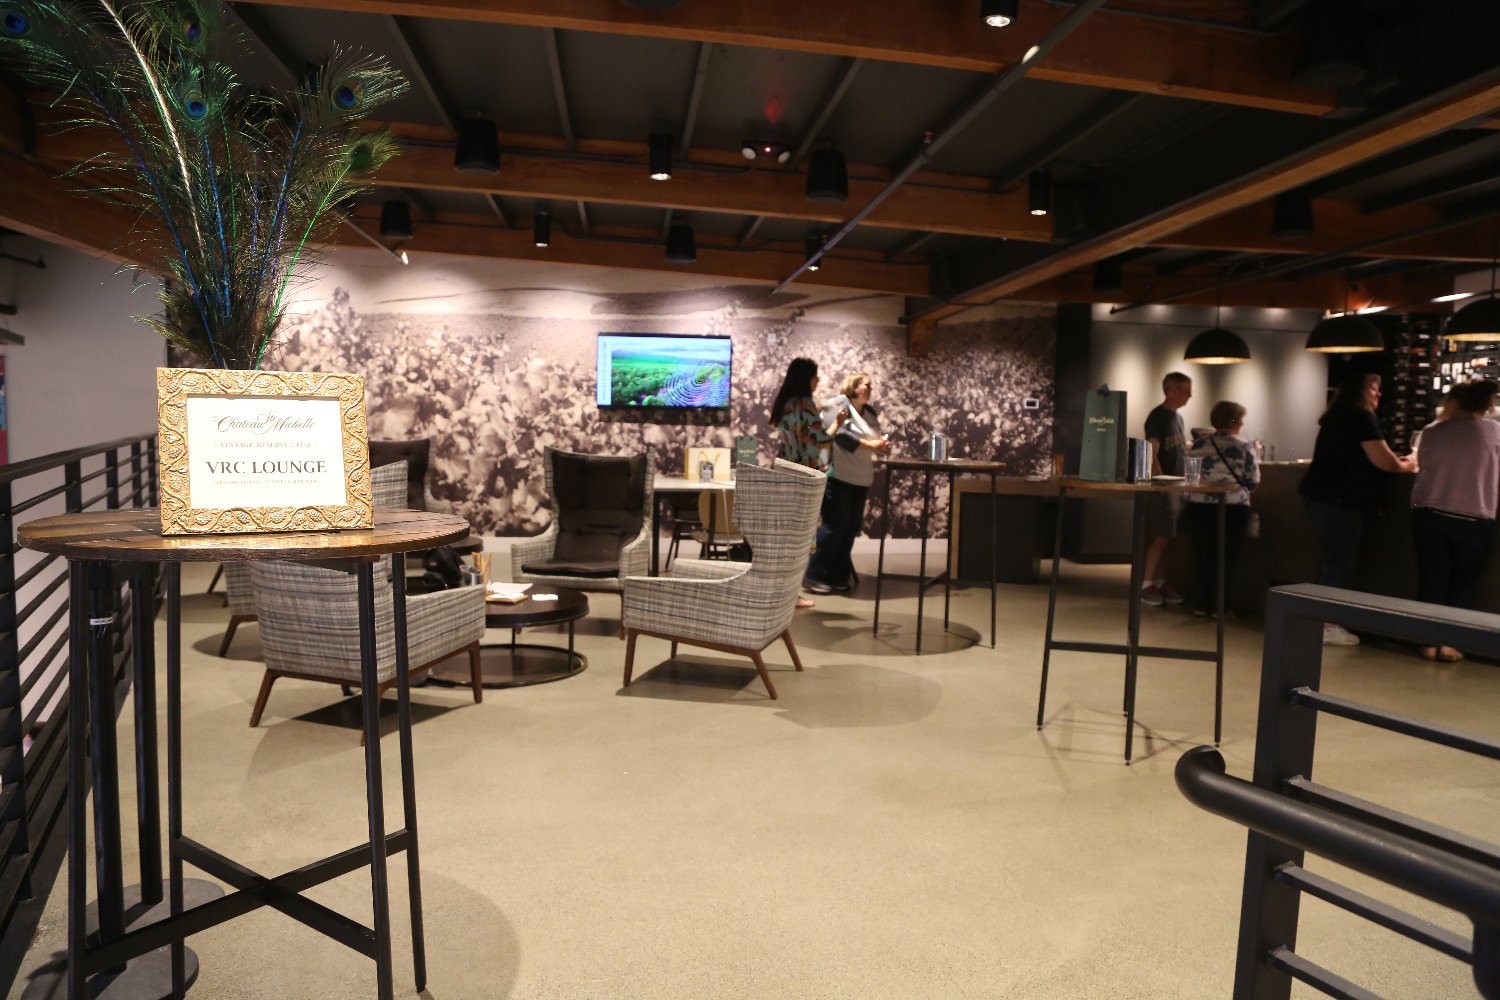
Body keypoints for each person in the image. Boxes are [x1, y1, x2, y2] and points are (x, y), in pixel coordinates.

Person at [1298, 372, 1416, 646]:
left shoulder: (1337, 416)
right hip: (1341, 501)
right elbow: (1385, 462)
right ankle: (1327, 624)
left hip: (1322, 498)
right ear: (1359, 391)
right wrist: (1408, 464)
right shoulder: (1360, 416)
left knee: (1330, 562)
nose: (1379, 394)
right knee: (1339, 563)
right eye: (1374, 388)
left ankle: (1316, 620)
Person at [1408, 379, 1500, 662]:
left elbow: (1420, 463)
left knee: (1432, 580)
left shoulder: (1432, 431)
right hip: (1474, 516)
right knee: (1463, 585)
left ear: (1453, 401)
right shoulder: (1494, 431)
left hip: (1430, 513)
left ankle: (1427, 643)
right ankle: (1449, 644)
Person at [804, 372, 891, 594]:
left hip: (861, 478)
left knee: (850, 528)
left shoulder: (870, 412)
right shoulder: (835, 405)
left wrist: (880, 445)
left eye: (871, 386)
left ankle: (837, 576)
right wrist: (871, 445)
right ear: (853, 385)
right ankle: (814, 576)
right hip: (838, 477)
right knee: (835, 526)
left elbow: (874, 437)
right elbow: (841, 436)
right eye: (866, 385)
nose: (869, 389)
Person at [769, 357, 844, 607]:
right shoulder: (806, 405)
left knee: (786, 537)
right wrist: (838, 424)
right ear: (806, 378)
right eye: (815, 375)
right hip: (803, 476)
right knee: (801, 538)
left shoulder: (785, 404)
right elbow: (821, 440)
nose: (818, 380)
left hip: (784, 472)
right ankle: (792, 595)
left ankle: (781, 593)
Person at [1185, 402, 1260, 617]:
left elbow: (1190, 475)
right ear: (1234, 421)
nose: (1242, 423)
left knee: (1202, 556)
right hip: (1233, 508)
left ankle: (1201, 604)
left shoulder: (1198, 444)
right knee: (1227, 558)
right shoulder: (1244, 446)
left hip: (1200, 506)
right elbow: (1253, 480)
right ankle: (1221, 607)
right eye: (1241, 419)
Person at [1141, 372, 1192, 606]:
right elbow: (1152, 451)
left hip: (1176, 486)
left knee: (1170, 535)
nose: (1190, 395)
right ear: (1173, 391)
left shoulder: (1177, 418)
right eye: (1186, 390)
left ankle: (1159, 581)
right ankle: (1147, 583)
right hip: (1164, 486)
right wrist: (1160, 482)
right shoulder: (1157, 417)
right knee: (1163, 535)